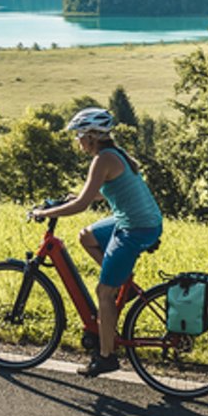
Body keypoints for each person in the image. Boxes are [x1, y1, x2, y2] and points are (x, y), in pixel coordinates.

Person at [29, 106, 164, 377]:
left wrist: (44, 212)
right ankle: (119, 281)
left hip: (135, 228)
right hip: (139, 221)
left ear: (92, 136)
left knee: (103, 292)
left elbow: (81, 205)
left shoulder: (103, 159)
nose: (77, 141)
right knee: (86, 237)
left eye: (79, 135)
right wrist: (76, 197)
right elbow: (106, 190)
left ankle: (106, 357)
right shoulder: (114, 155)